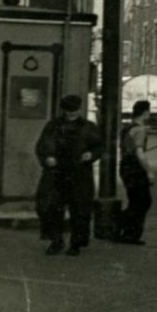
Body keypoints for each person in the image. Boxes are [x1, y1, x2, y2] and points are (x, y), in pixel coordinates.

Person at [35, 93, 103, 256]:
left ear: (79, 109)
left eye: (74, 110)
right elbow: (41, 146)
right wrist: (47, 158)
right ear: (63, 110)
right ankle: (56, 241)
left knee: (79, 210)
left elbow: (99, 147)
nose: (71, 114)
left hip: (79, 173)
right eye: (68, 111)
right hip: (56, 173)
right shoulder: (53, 126)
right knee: (52, 208)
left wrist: (91, 155)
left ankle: (75, 244)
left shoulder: (88, 126)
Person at [115, 99, 155, 245]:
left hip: (125, 166)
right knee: (143, 201)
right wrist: (149, 171)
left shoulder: (127, 127)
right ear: (145, 113)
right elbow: (139, 152)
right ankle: (128, 231)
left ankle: (125, 229)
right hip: (135, 167)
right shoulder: (140, 130)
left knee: (135, 200)